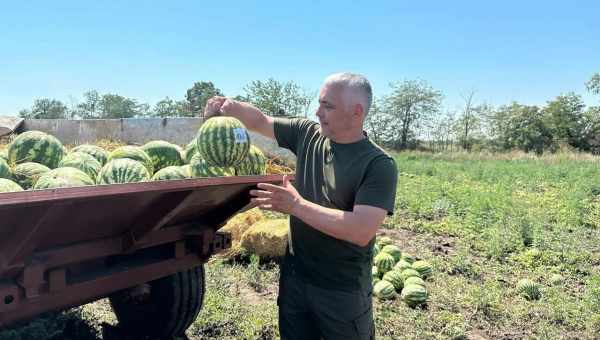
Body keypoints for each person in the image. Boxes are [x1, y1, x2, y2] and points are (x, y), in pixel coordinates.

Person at [204, 72, 398, 340]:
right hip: (295, 280)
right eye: (319, 103)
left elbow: (360, 230)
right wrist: (228, 106)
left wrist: (296, 205)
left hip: (340, 291)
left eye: (327, 105)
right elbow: (261, 121)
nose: (318, 112)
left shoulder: (378, 165)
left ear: (357, 112)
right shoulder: (308, 134)